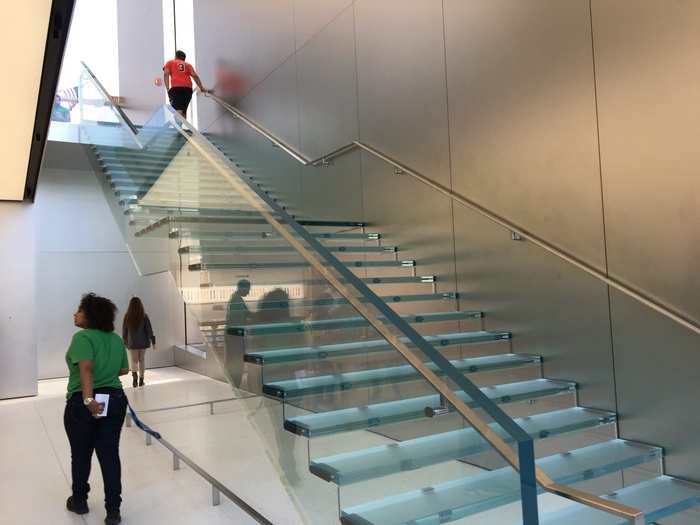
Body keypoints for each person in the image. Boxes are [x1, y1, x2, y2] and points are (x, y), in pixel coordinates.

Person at [64, 293, 129, 525]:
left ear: (89, 315)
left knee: (81, 454)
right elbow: (123, 371)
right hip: (114, 399)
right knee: (110, 454)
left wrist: (88, 400)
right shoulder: (115, 339)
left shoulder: (82, 337)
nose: (75, 313)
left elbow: (86, 369)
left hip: (85, 402)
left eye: (79, 310)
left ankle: (79, 500)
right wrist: (107, 370)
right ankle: (113, 511)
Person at [163, 50, 211, 118]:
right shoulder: (188, 65)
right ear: (184, 58)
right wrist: (201, 87)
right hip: (188, 89)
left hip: (176, 88)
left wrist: (168, 89)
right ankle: (183, 127)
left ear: (176, 56)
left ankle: (179, 127)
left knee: (177, 110)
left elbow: (166, 74)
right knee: (183, 110)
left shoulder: (170, 63)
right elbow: (194, 75)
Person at [122, 297, 156, 388]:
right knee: (142, 360)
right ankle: (141, 380)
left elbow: (124, 331)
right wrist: (153, 341)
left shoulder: (127, 316)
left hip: (132, 343)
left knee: (133, 361)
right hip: (143, 342)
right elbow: (149, 330)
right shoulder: (144, 316)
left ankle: (134, 380)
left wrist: (124, 341)